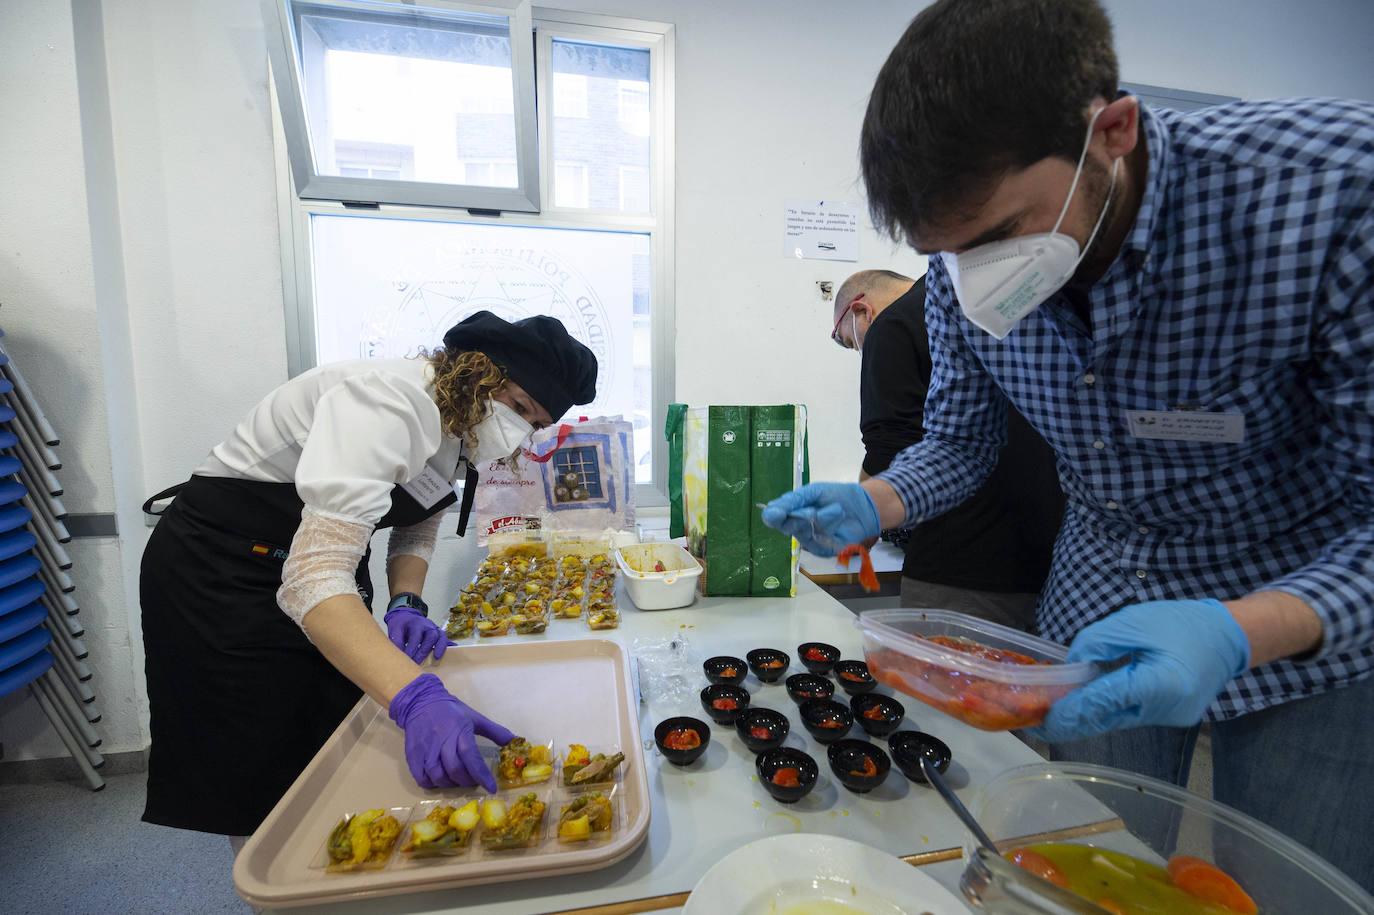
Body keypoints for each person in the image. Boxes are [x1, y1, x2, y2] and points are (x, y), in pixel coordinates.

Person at [765, 0, 1374, 888]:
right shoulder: (962, 274)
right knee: (1081, 873)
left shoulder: (1330, 194)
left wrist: (1242, 630)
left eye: (1003, 235)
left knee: (1285, 888)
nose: (976, 277)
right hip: (1099, 610)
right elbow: (960, 444)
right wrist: (876, 501)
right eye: (947, 254)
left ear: (1113, 132)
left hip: (1313, 617)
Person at [140, 310, 597, 842]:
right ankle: (274, 876)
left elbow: (416, 523)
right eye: (519, 407)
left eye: (536, 423)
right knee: (257, 749)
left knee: (329, 724)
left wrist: (407, 601)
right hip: (221, 570)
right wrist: (416, 696)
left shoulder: (457, 424)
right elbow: (312, 578)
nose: (520, 431)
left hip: (308, 559)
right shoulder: (385, 403)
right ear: (479, 373)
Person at [831, 268, 1062, 628]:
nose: (860, 349)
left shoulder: (892, 326)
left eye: (850, 341)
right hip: (1051, 556)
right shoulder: (997, 306)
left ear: (861, 311)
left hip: (960, 563)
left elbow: (889, 447)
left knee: (941, 681)